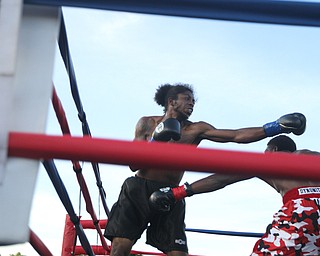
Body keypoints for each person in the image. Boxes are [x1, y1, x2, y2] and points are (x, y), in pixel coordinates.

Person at [104, 82, 306, 256]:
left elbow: (235, 135)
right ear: (172, 102)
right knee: (121, 246)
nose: (192, 104)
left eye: (193, 101)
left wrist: (275, 127)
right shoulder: (147, 123)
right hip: (139, 187)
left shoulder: (196, 129)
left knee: (178, 253)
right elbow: (133, 164)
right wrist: (156, 141)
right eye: (187, 99)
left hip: (171, 194)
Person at [150, 135, 320, 255]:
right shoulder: (311, 155)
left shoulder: (269, 160)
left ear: (273, 149)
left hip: (302, 210)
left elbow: (223, 179)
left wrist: (177, 192)